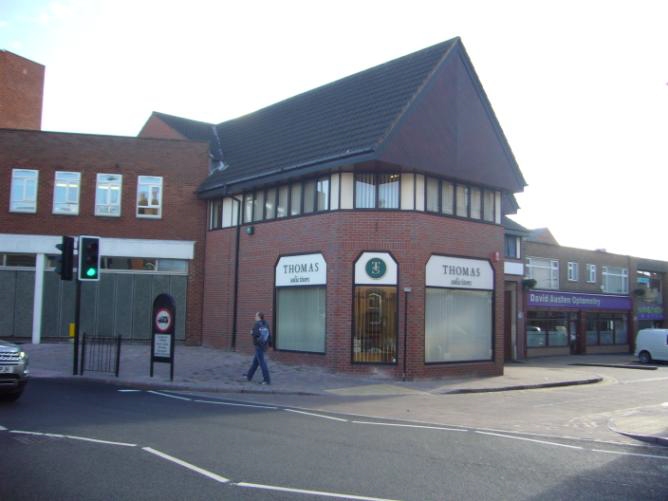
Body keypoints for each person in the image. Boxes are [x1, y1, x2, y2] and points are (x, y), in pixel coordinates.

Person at [243, 312, 271, 385]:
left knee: (262, 363)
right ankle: (249, 376)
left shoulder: (257, 324)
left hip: (258, 345)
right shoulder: (266, 324)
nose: (254, 317)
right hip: (264, 345)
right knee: (255, 363)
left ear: (259, 316)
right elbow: (269, 334)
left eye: (255, 315)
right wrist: (269, 344)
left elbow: (254, 334)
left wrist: (251, 332)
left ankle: (267, 380)